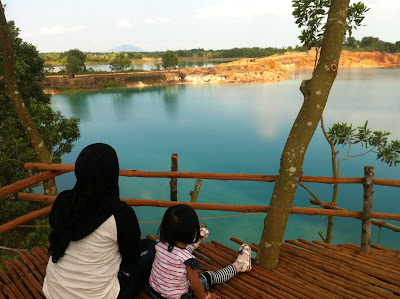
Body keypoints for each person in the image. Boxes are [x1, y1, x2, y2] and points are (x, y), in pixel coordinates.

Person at [43, 143, 156, 299]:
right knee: (152, 248)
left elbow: (56, 226)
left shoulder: (65, 201)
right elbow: (132, 257)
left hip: (53, 291)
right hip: (97, 296)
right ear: (112, 172)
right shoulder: (120, 214)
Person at [146, 204, 252, 299]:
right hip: (177, 297)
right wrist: (206, 297)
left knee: (178, 253)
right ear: (192, 232)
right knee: (209, 277)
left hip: (154, 291)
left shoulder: (159, 244)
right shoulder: (189, 260)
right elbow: (196, 285)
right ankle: (240, 265)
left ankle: (193, 244)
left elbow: (175, 256)